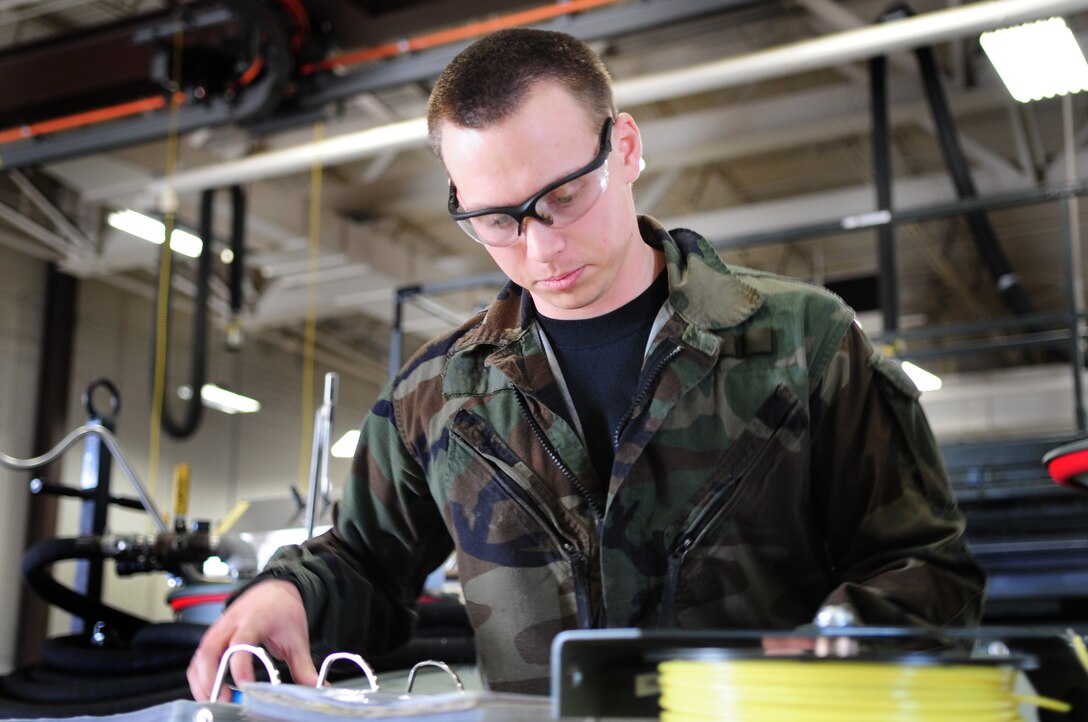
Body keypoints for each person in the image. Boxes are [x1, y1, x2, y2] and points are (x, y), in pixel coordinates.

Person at [187, 27, 985, 699]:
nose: (539, 247)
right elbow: (364, 562)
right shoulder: (440, 397)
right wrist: (287, 592)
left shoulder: (801, 343)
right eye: (496, 221)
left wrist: (828, 650)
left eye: (563, 197)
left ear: (626, 147)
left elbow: (926, 567)